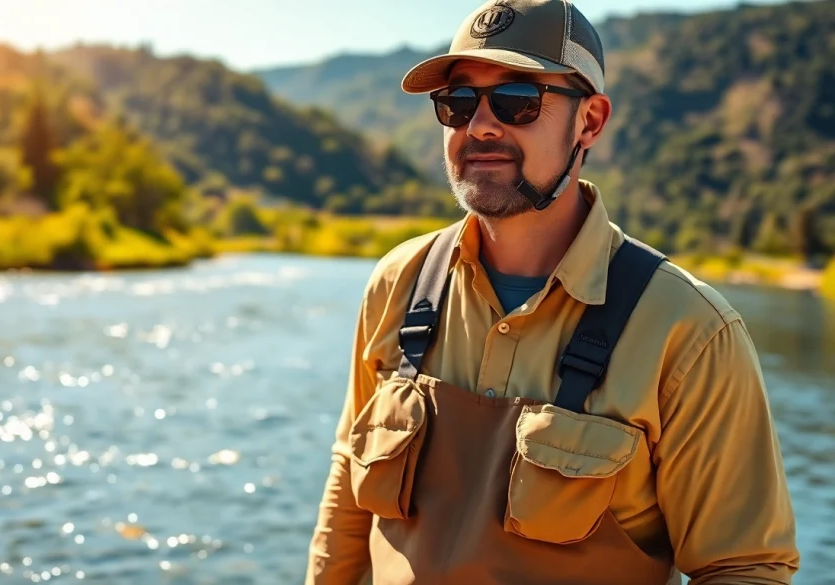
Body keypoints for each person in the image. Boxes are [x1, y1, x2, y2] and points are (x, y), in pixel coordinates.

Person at [303, 0, 800, 583]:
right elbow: (348, 488)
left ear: (590, 122)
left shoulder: (690, 330)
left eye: (517, 100)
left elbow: (746, 567)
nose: (480, 126)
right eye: (458, 102)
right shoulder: (399, 281)